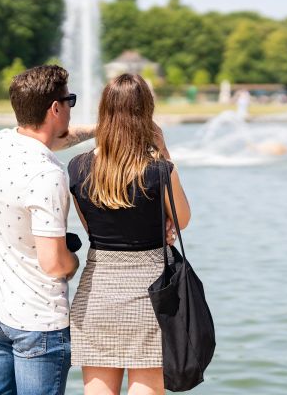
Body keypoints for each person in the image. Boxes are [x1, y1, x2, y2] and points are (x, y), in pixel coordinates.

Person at [67, 74, 191, 395]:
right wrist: (163, 151)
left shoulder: (77, 167)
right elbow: (183, 219)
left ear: (103, 111)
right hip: (151, 295)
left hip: (96, 296)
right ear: (147, 113)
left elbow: (90, 227)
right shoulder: (159, 170)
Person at [0, 65, 96, 395]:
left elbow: (52, 140)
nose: (71, 108)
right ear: (55, 108)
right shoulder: (47, 174)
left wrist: (102, 128)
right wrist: (75, 259)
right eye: (69, 101)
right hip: (38, 323)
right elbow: (53, 263)